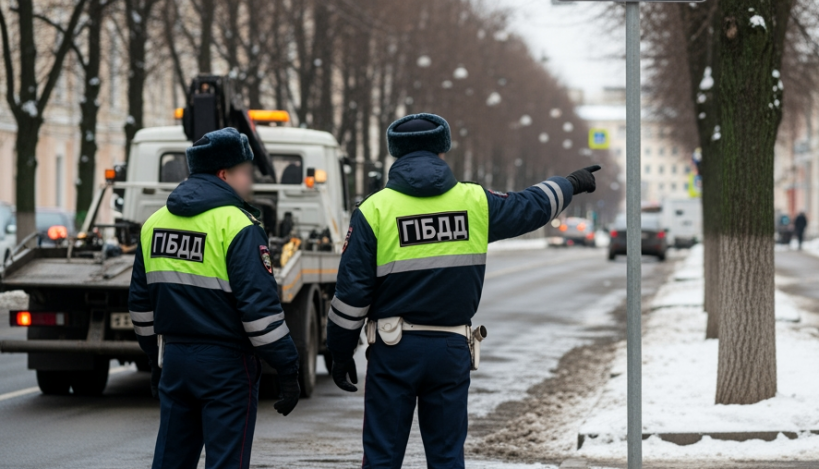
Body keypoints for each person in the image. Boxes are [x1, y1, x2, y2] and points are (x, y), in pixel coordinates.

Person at [325, 113, 601, 468]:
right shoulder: (473, 201)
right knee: (446, 458)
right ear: (443, 151)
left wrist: (341, 350)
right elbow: (529, 207)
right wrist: (570, 183)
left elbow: (351, 295)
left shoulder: (374, 210)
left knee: (382, 457)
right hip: (450, 350)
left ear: (397, 155)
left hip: (394, 352)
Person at [128, 128, 300, 469]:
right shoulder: (239, 225)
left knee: (171, 459)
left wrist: (154, 358)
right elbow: (260, 313)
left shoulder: (154, 224)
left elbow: (140, 306)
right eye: (246, 173)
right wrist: (287, 367)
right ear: (224, 173)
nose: (250, 182)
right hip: (226, 366)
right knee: (226, 462)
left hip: (175, 359)